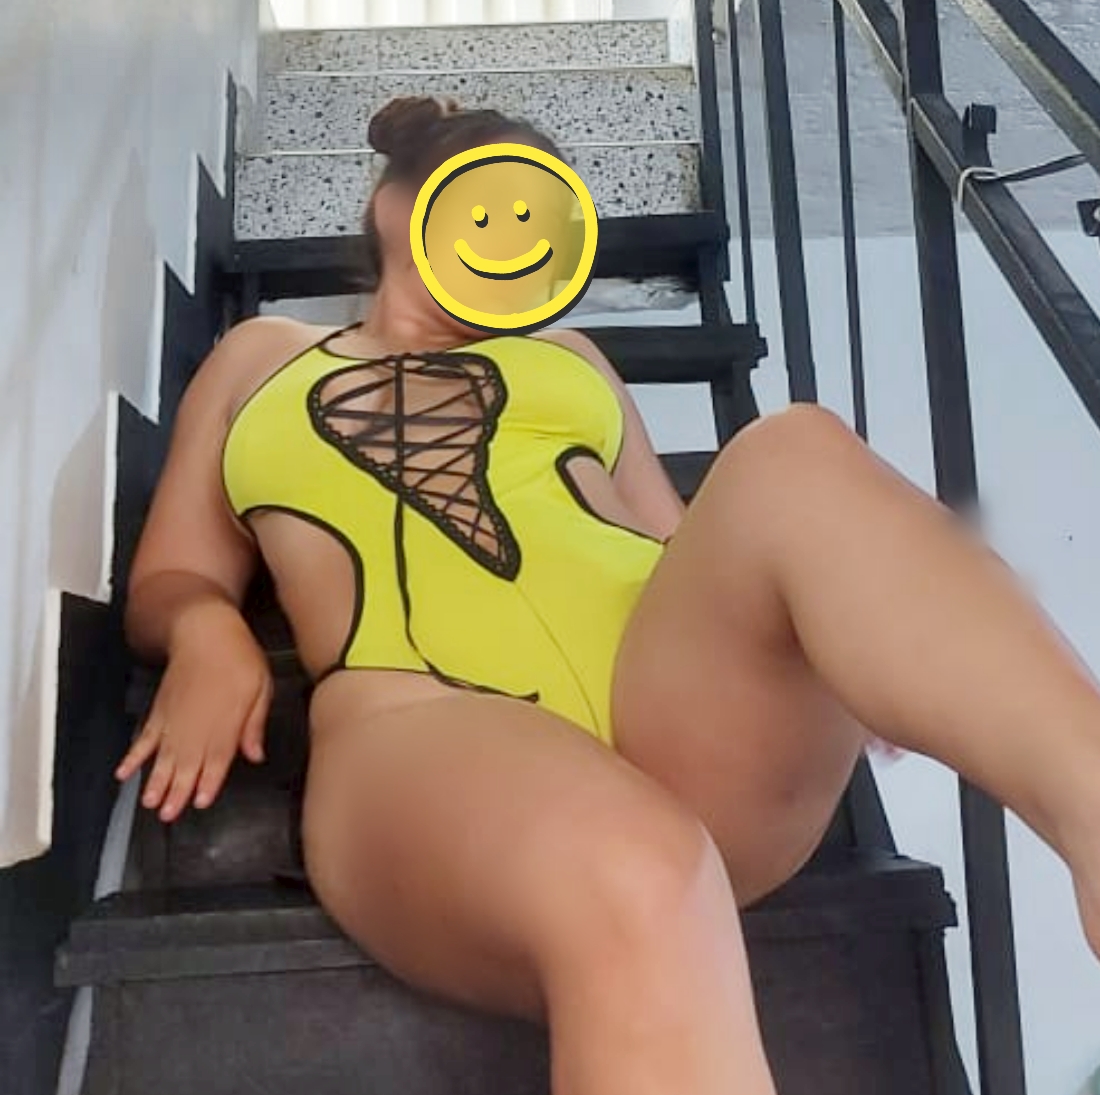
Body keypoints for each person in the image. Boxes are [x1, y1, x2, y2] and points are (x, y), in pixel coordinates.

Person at [117, 96, 1100, 1095]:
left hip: (669, 705)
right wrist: (206, 631)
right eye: (490, 203)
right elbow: (172, 571)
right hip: (417, 722)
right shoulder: (261, 355)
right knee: (635, 867)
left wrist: (856, 614)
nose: (514, 235)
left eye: (538, 218)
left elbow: (678, 545)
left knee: (793, 449)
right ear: (396, 208)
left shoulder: (570, 356)